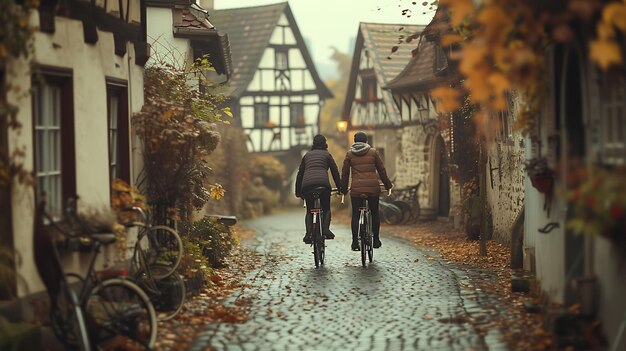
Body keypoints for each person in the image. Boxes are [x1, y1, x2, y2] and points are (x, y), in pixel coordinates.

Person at [341, 131, 392, 251]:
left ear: (354, 142)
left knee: (355, 214)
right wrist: (388, 185)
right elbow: (381, 170)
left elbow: (345, 173)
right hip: (372, 188)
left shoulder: (349, 154)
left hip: (356, 190)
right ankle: (376, 239)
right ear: (366, 141)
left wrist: (343, 190)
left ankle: (354, 242)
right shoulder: (373, 152)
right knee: (374, 212)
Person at [295, 134, 342, 244]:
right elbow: (335, 172)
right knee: (326, 209)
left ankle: (308, 234)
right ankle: (325, 229)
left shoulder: (306, 156)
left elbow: (300, 174)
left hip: (308, 186)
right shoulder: (327, 155)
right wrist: (340, 188)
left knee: (309, 211)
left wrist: (298, 191)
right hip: (323, 185)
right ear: (325, 143)